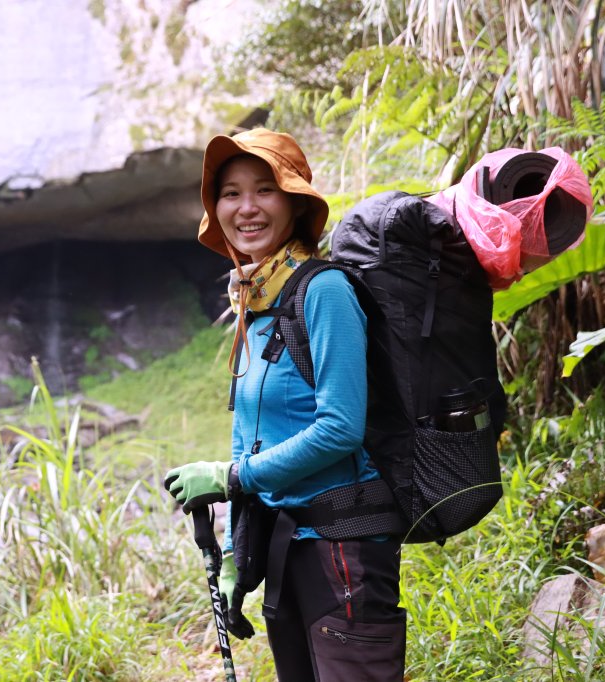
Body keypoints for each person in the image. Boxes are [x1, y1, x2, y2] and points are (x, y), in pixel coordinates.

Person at [165, 128, 406, 680]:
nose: (246, 208)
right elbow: (248, 434)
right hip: (286, 545)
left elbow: (340, 428)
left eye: (265, 190)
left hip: (342, 546)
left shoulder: (323, 292)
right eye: (230, 193)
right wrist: (233, 554)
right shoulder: (255, 301)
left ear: (295, 203)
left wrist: (229, 477)